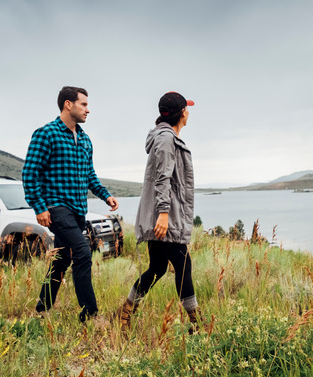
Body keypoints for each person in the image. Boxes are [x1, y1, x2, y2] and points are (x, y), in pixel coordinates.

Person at [22, 86, 118, 324]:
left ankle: (42, 309)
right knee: (83, 253)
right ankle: (90, 314)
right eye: (83, 104)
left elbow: (89, 177)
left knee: (62, 259)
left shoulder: (85, 140)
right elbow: (29, 173)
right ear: (68, 104)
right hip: (56, 208)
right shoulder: (47, 134)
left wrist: (105, 195)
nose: (88, 109)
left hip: (77, 211)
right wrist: (39, 207)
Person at [118, 91, 204, 335]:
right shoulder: (166, 139)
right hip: (165, 218)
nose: (188, 112)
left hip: (162, 216)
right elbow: (162, 178)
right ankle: (197, 324)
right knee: (183, 265)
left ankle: (125, 312)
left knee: (158, 268)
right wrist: (164, 214)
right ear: (180, 113)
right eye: (186, 108)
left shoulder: (164, 137)